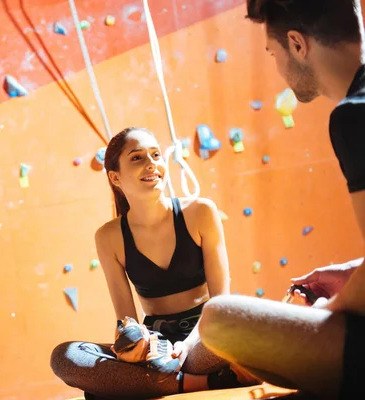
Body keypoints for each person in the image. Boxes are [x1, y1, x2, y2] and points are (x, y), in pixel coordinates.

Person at [197, 1, 365, 399]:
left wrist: (330, 310)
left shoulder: (353, 116)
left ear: (297, 44)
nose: (276, 68)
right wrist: (353, 270)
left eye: (273, 54)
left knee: (219, 319)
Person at [50, 127, 259, 399]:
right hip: (156, 346)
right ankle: (208, 382)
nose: (152, 163)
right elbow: (125, 320)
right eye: (137, 158)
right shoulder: (108, 237)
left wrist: (188, 344)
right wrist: (131, 349)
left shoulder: (200, 212)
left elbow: (222, 303)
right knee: (65, 357)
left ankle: (150, 382)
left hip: (207, 335)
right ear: (115, 177)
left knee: (239, 327)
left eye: (156, 154)